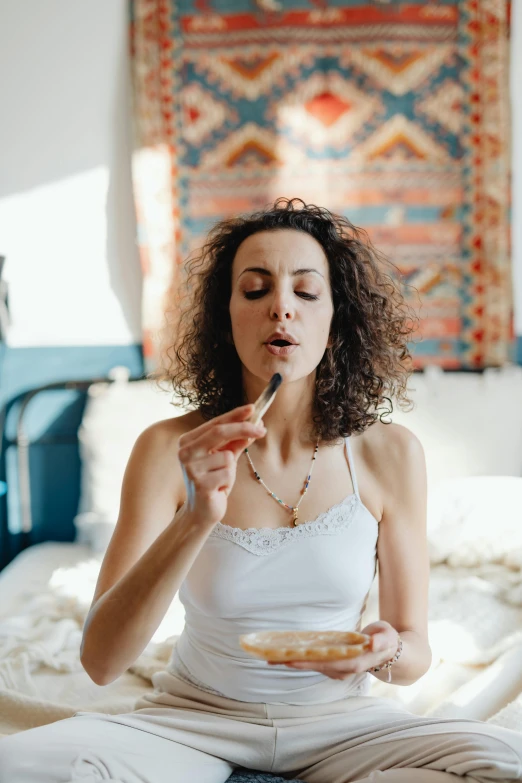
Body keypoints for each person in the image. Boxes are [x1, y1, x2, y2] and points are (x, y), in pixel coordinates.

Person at [0, 198, 521, 783]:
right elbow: (101, 662)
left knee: (504, 762)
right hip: (193, 720)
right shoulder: (169, 449)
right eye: (255, 290)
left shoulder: (391, 454)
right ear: (227, 316)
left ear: (335, 318)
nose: (281, 307)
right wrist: (196, 518)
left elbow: (414, 650)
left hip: (341, 723)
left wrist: (385, 652)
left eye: (305, 292)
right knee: (20, 765)